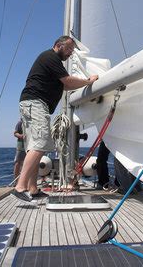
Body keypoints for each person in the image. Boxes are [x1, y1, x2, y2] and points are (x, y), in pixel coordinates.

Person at [12, 36, 98, 202]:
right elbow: (67, 81)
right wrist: (89, 81)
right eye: (69, 50)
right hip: (36, 104)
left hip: (31, 104)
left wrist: (81, 84)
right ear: (59, 45)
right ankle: (20, 187)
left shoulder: (51, 61)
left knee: (35, 147)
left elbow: (64, 85)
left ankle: (33, 189)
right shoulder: (51, 57)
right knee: (39, 144)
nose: (71, 54)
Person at [13, 119, 26, 184]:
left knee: (27, 163)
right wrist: (21, 136)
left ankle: (25, 181)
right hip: (21, 146)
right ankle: (16, 181)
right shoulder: (20, 122)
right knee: (18, 163)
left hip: (30, 146)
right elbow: (15, 133)